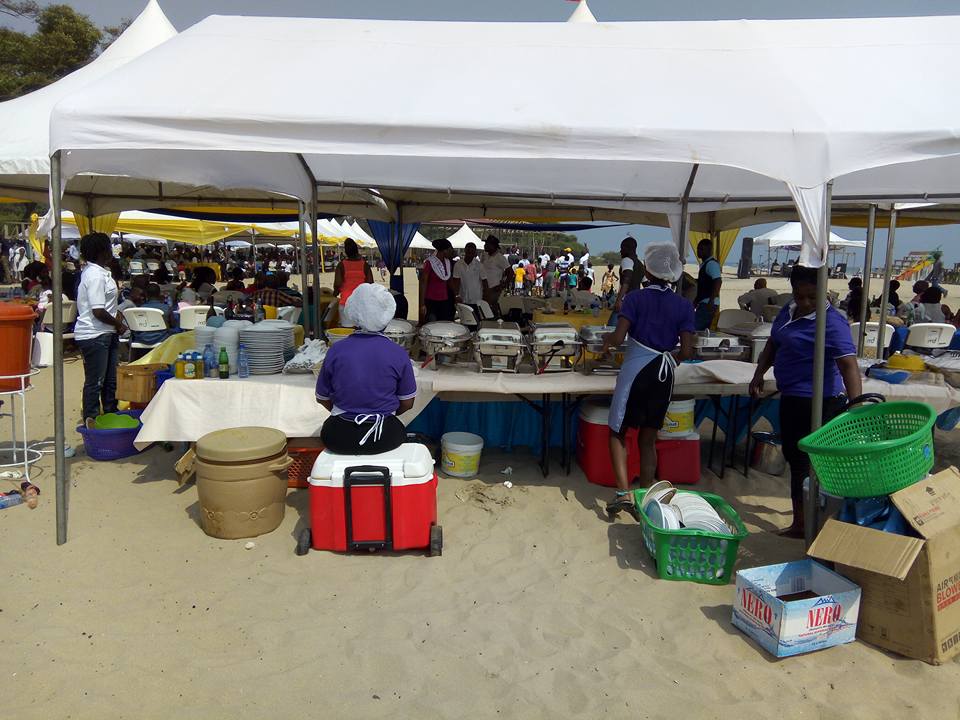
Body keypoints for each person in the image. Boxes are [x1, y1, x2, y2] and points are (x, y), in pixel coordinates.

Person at [750, 265, 862, 538]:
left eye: (813, 297)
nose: (806, 303)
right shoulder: (788, 311)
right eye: (800, 296)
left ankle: (813, 523)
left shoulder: (832, 323)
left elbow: (848, 366)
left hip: (821, 401)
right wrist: (759, 373)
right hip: (792, 398)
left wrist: (857, 407)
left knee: (815, 464)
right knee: (795, 459)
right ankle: (801, 521)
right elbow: (773, 344)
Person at [601, 242, 695, 519]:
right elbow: (686, 351)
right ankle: (645, 496)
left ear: (648, 271)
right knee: (648, 438)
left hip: (635, 373)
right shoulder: (683, 305)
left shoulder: (635, 299)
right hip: (663, 376)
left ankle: (623, 494)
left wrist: (606, 340)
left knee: (618, 431)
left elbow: (619, 337)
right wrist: (668, 359)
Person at [316, 283, 417, 455]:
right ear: (387, 317)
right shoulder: (398, 353)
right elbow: (407, 403)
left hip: (338, 437)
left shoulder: (336, 350)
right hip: (385, 436)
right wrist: (387, 413)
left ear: (353, 314)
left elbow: (322, 398)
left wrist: (346, 412)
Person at [75, 233, 126, 429]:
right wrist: (118, 324)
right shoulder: (95, 275)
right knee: (96, 381)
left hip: (106, 332)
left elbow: (107, 305)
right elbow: (98, 310)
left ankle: (111, 414)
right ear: (102, 251)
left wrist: (116, 317)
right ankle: (92, 418)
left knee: (111, 380)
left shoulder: (101, 272)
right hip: (95, 334)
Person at [334, 238, 373, 321]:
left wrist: (335, 293)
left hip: (346, 302)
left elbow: (338, 283)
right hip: (361, 303)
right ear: (356, 250)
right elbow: (370, 283)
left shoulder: (341, 265)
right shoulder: (365, 265)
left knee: (346, 328)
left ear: (346, 251)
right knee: (362, 328)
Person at [419, 238, 455, 323]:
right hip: (431, 301)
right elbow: (423, 283)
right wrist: (422, 304)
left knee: (443, 324)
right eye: (450, 250)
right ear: (444, 251)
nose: (452, 252)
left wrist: (456, 295)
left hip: (444, 300)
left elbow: (449, 281)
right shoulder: (430, 262)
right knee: (432, 324)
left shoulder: (448, 263)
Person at [694, 239, 722, 331]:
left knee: (694, 328)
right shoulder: (705, 264)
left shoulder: (711, 264)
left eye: (702, 249)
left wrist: (711, 300)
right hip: (704, 302)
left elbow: (718, 281)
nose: (699, 251)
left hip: (708, 303)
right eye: (698, 249)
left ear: (709, 250)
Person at [612, 237, 643, 316]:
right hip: (637, 301)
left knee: (614, 322)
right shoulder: (640, 264)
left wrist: (618, 300)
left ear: (627, 248)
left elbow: (626, 281)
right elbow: (646, 284)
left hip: (626, 300)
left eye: (622, 248)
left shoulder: (627, 260)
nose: (620, 251)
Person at [452, 241, 486, 313]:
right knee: (465, 319)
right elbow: (456, 282)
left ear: (475, 252)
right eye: (468, 251)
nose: (470, 254)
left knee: (476, 319)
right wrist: (456, 296)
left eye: (472, 252)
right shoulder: (458, 264)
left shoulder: (479, 265)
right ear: (465, 251)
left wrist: (485, 298)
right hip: (463, 299)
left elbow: (485, 282)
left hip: (477, 300)